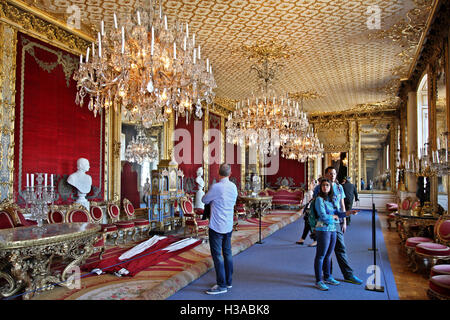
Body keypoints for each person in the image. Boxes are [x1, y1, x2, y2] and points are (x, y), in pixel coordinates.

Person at [313, 166, 363, 285]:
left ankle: (347, 274)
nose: (332, 175)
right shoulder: (318, 189)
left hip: (336, 223)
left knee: (339, 249)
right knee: (324, 252)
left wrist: (344, 221)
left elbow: (341, 205)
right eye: (330, 173)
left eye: (334, 174)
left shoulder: (339, 187)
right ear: (325, 175)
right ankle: (326, 275)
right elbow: (317, 207)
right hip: (324, 224)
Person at [202, 164, 238, 295]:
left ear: (219, 173)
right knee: (227, 253)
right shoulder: (233, 187)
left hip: (216, 226)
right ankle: (228, 282)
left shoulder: (216, 187)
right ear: (230, 173)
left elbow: (204, 199)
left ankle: (221, 285)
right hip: (228, 225)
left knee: (217, 255)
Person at [296, 179, 318, 246]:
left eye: (312, 183)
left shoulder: (313, 193)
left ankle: (316, 240)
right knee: (307, 225)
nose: (310, 185)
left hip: (311, 211)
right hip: (308, 210)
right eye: (310, 183)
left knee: (310, 225)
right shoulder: (310, 192)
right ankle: (302, 239)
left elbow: (311, 202)